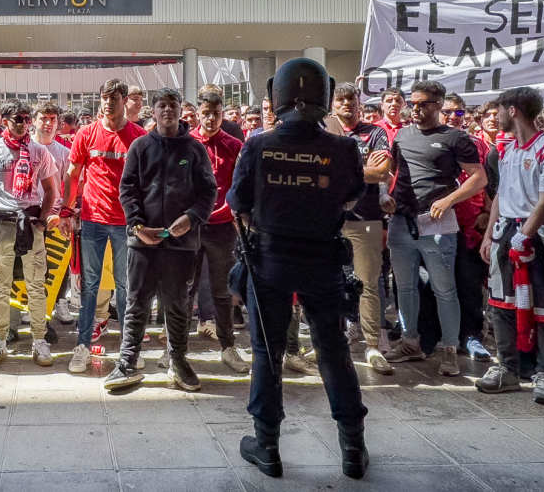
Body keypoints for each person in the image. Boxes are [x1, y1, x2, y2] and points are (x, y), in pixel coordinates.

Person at [227, 58, 370, 480]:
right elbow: (354, 194)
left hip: (268, 261)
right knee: (333, 352)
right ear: (325, 98)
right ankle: (353, 448)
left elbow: (237, 203)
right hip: (323, 261)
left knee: (266, 354)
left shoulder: (257, 145)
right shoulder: (343, 148)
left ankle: (267, 446)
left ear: (277, 96)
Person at [104, 88, 217, 391]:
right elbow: (127, 189)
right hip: (143, 241)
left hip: (181, 244)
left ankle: (178, 362)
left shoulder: (195, 150)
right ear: (152, 112)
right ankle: (127, 362)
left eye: (173, 105)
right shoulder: (140, 146)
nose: (168, 110)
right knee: (136, 303)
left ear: (181, 110)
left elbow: (209, 192)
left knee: (177, 305)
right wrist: (137, 225)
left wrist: (191, 218)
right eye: (162, 106)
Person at [380, 81, 487, 376]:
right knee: (404, 288)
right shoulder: (401, 135)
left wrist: (450, 199)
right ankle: (410, 341)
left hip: (437, 222)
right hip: (401, 221)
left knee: (444, 289)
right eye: (412, 103)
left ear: (439, 105)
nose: (416, 108)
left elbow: (478, 178)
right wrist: (385, 196)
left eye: (424, 103)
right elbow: (392, 172)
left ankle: (449, 348)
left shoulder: (455, 137)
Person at [475, 87, 544, 405]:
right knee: (501, 303)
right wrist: (491, 235)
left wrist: (525, 233)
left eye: (500, 109)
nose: (496, 115)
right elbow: (502, 194)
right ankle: (507, 369)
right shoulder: (507, 148)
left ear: (513, 110)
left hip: (543, 237)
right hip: (507, 232)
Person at [58, 79, 147, 373]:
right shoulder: (87, 133)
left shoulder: (138, 136)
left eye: (114, 98)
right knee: (90, 287)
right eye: (104, 98)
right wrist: (66, 211)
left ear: (125, 101)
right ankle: (82, 346)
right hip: (93, 220)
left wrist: (143, 218)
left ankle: (129, 348)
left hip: (126, 223)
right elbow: (72, 174)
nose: (108, 103)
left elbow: (147, 181)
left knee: (126, 287)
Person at [0, 100, 59, 367]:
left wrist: (43, 221)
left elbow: (51, 190)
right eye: (17, 119)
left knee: (36, 286)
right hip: (0, 224)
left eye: (25, 118)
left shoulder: (38, 151)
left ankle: (39, 340)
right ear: (6, 121)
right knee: (0, 286)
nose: (22, 123)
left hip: (30, 223)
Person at [331, 82, 394, 374]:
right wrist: (360, 171)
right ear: (333, 104)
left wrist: (334, 170)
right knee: (326, 283)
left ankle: (372, 344)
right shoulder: (325, 132)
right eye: (340, 99)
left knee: (368, 282)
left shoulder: (375, 132)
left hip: (366, 218)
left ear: (359, 102)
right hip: (327, 219)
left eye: (351, 99)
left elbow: (381, 172)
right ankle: (330, 339)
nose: (346, 104)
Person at [187, 91, 249, 373]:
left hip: (223, 228)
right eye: (206, 113)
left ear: (222, 114)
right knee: (185, 289)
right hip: (190, 227)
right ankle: (177, 349)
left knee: (222, 291)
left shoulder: (234, 144)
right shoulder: (186, 144)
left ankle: (228, 346)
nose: (211, 119)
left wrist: (238, 215)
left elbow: (241, 184)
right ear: (197, 114)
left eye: (216, 113)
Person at [441, 93, 493, 364]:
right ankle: (434, 337)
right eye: (447, 111)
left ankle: (471, 336)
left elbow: (488, 185)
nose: (452, 117)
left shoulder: (479, 145)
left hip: (469, 225)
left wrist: (486, 213)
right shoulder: (424, 140)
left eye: (458, 113)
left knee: (469, 284)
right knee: (434, 286)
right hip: (434, 225)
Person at [33, 102, 73, 325]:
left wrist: (66, 212)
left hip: (56, 216)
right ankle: (28, 307)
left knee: (58, 264)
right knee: (30, 265)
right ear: (34, 121)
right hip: (29, 213)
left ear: (58, 124)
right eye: (43, 118)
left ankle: (60, 301)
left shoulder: (65, 152)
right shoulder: (25, 148)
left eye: (52, 119)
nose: (48, 123)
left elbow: (72, 185)